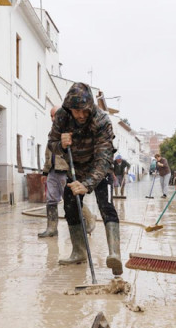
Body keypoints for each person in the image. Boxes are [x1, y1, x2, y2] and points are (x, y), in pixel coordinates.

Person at [47, 82, 123, 275]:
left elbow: (104, 158)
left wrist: (88, 184)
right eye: (76, 111)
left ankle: (115, 253)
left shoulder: (102, 120)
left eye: (84, 111)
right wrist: (61, 146)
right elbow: (51, 143)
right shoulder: (62, 117)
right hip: (75, 167)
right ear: (69, 108)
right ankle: (79, 251)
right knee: (70, 205)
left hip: (100, 168)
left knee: (105, 205)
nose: (80, 115)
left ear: (90, 107)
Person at [39, 105, 95, 238]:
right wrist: (45, 172)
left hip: (66, 170)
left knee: (72, 199)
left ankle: (90, 220)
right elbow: (48, 153)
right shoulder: (53, 132)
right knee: (51, 199)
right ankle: (52, 228)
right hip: (53, 170)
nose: (53, 118)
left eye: (55, 115)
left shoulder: (70, 129)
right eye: (51, 116)